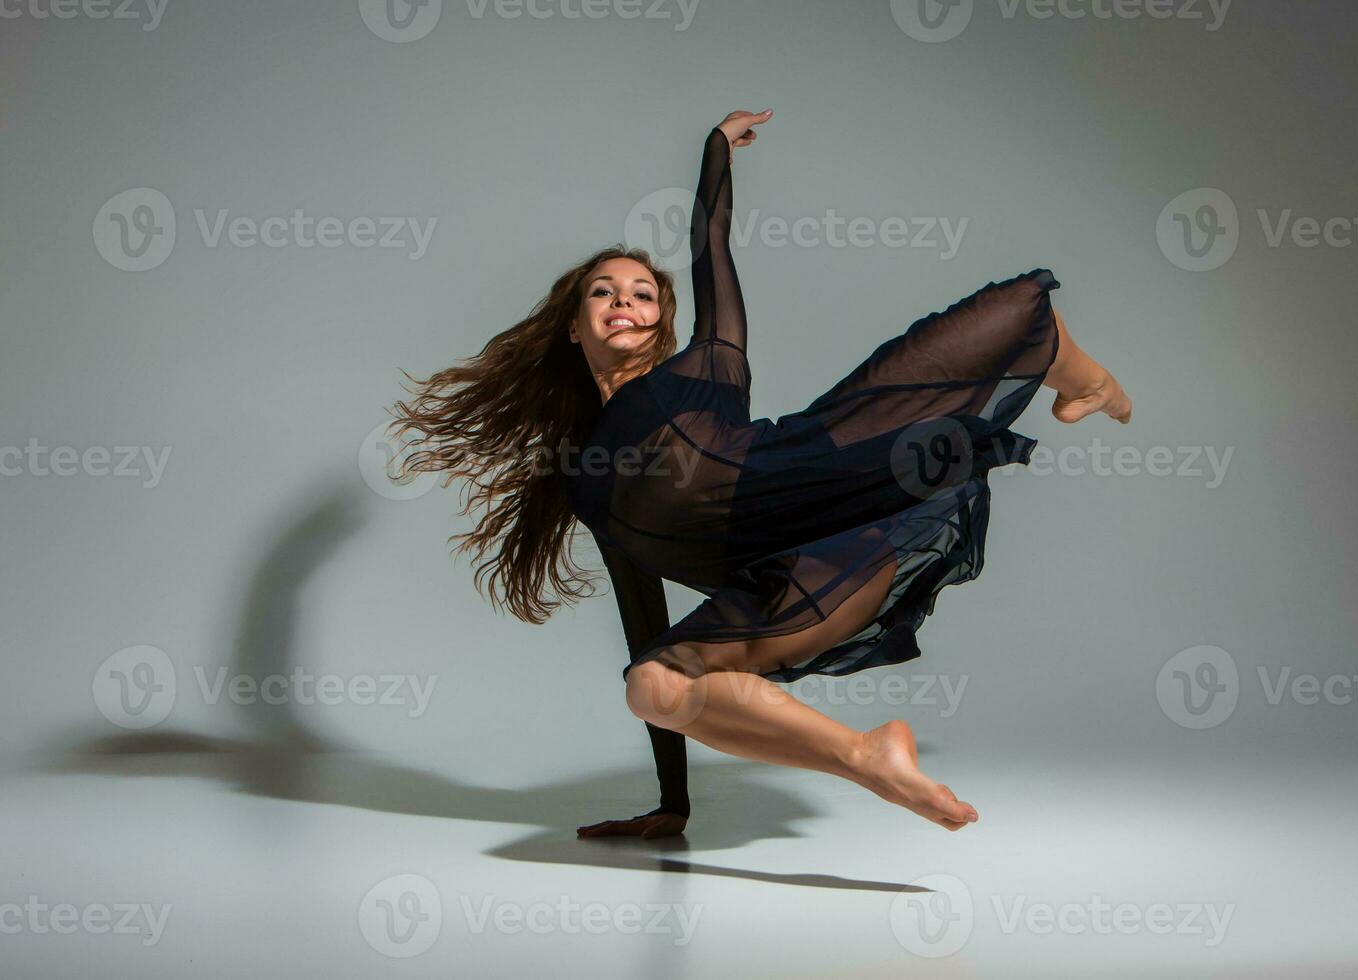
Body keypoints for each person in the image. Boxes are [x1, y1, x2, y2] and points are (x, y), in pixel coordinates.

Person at [388, 108, 1132, 839]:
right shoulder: (585, 478)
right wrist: (672, 805)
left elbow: (711, 245)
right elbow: (643, 618)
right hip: (795, 582)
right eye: (603, 292)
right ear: (574, 324)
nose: (623, 301)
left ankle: (1087, 379)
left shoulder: (707, 368)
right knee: (651, 684)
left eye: (642, 292)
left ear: (662, 323)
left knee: (998, 319)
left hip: (841, 500)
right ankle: (869, 757)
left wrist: (716, 151)